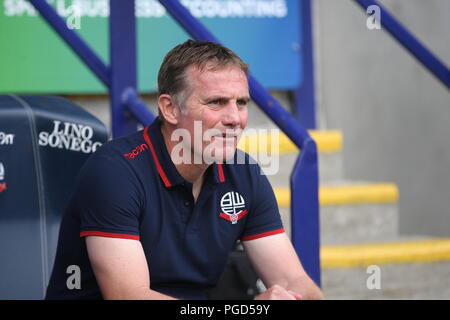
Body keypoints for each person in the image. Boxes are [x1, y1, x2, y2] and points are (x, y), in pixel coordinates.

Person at [45, 40, 324, 300]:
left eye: (241, 103)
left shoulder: (244, 172)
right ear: (170, 109)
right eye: (216, 102)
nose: (234, 119)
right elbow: (130, 296)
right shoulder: (114, 171)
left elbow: (293, 279)